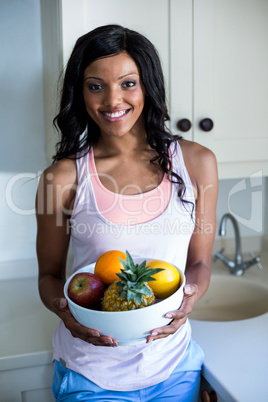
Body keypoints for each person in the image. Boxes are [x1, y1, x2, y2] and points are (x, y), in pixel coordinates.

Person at [36, 24, 218, 401]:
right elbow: (49, 275)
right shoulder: (63, 177)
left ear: (148, 85)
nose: (112, 100)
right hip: (90, 373)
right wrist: (66, 315)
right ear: (80, 92)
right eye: (96, 85)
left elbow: (199, 262)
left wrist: (191, 298)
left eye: (128, 83)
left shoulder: (197, 163)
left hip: (174, 366)